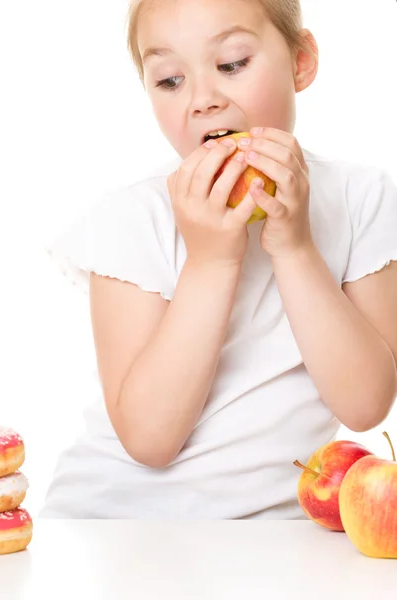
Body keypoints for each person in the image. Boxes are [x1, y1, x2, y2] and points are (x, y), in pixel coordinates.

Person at [39, 0, 397, 519]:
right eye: (169, 80)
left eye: (231, 64)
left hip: (275, 536)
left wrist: (294, 246)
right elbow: (149, 439)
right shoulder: (131, 217)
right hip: (118, 523)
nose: (203, 100)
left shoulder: (362, 198)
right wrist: (210, 263)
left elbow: (365, 406)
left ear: (300, 61)